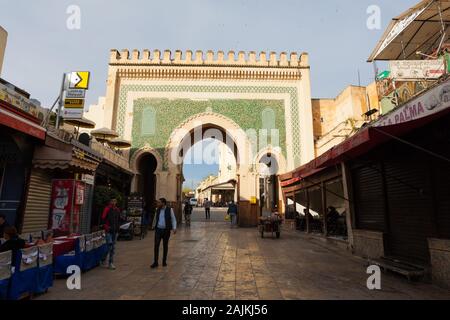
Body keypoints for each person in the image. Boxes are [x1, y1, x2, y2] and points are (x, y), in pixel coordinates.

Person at [151, 198, 177, 268]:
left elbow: (173, 219)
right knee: (156, 245)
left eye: (159, 202)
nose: (158, 204)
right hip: (158, 230)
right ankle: (155, 262)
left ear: (163, 203)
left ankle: (164, 261)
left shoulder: (170, 210)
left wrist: (174, 228)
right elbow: (155, 218)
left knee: (165, 246)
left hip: (166, 230)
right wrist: (153, 226)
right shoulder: (157, 210)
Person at [100, 198, 121, 270]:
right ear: (110, 201)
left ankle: (103, 259)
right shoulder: (107, 209)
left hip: (115, 231)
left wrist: (118, 229)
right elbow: (103, 219)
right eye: (112, 201)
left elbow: (118, 220)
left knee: (111, 247)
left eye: (115, 201)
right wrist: (106, 227)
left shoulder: (117, 210)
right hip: (108, 231)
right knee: (111, 246)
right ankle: (110, 262)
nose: (114, 202)